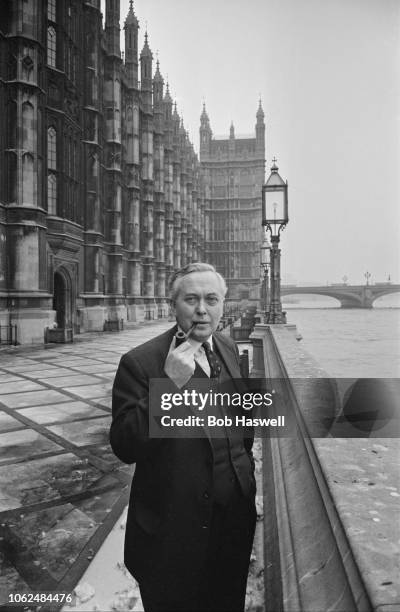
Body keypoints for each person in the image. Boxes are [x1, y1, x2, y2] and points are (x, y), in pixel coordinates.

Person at [110, 263, 256, 612]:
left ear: (224, 303)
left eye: (211, 299)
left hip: (233, 524)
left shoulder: (228, 348)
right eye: (191, 299)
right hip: (172, 537)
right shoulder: (140, 363)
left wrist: (244, 480)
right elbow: (124, 445)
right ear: (173, 304)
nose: (202, 309)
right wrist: (169, 386)